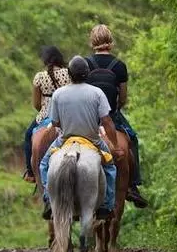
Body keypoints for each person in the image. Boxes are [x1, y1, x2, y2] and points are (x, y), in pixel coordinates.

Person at [39, 56, 124, 221]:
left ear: (69, 74)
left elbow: (55, 122)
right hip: (92, 140)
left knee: (43, 164)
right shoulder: (97, 93)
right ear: (87, 74)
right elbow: (106, 121)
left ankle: (49, 200)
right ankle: (106, 205)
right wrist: (114, 145)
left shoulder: (58, 94)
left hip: (65, 140)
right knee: (110, 167)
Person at [85, 24, 148, 208]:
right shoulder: (119, 66)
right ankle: (133, 186)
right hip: (112, 115)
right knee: (132, 139)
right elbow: (123, 98)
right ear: (110, 41)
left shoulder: (86, 63)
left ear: (92, 41)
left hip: (90, 117)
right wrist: (114, 108)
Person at [22, 46, 71, 183]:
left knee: (27, 135)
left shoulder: (39, 77)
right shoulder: (68, 73)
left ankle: (30, 173)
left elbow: (37, 104)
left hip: (46, 115)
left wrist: (44, 109)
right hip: (66, 115)